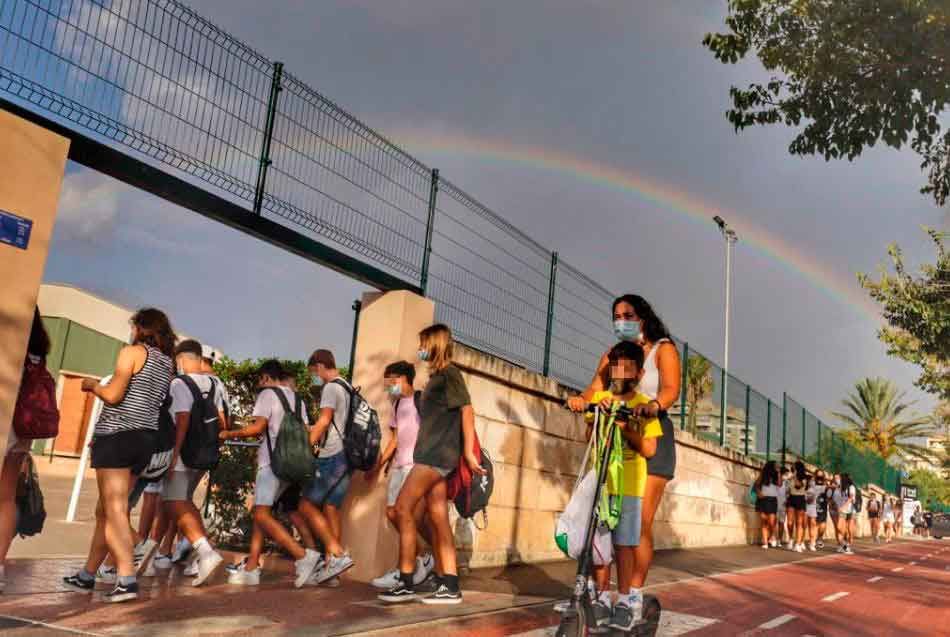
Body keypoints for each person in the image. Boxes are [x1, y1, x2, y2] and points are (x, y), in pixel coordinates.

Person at [566, 295, 680, 593]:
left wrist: (653, 406)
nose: (621, 321)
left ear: (643, 316)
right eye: (616, 316)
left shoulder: (662, 349)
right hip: (613, 435)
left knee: (638, 522)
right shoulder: (614, 354)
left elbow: (670, 390)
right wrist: (580, 401)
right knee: (603, 518)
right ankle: (603, 591)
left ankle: (633, 594)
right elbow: (594, 388)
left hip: (649, 432)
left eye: (628, 315)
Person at [63, 309, 176, 602]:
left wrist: (92, 386)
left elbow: (113, 395)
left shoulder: (132, 353)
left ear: (141, 328)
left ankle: (126, 577)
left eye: (134, 326)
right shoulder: (167, 363)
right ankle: (87, 574)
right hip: (144, 441)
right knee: (107, 511)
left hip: (117, 437)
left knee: (114, 511)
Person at [219, 360, 351, 588]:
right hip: (292, 466)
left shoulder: (267, 395)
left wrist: (229, 432)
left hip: (272, 464)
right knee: (268, 511)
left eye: (261, 380)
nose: (260, 385)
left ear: (267, 378)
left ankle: (303, 557)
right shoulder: (297, 399)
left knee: (261, 514)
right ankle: (252, 567)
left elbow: (257, 428)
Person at [379, 324, 483, 605]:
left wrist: (470, 454)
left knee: (402, 509)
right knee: (437, 517)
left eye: (423, 342)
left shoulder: (450, 374)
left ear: (435, 343)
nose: (420, 348)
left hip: (435, 457)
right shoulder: (438, 376)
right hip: (434, 455)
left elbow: (467, 410)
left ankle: (407, 580)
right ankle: (449, 583)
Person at [583, 341, 662, 631]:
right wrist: (595, 412)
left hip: (629, 486)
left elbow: (650, 449)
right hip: (603, 486)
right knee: (599, 546)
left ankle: (626, 599)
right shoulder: (601, 397)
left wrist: (627, 429)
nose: (621, 372)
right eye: (617, 365)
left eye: (628, 367)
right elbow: (588, 434)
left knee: (625, 545)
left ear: (639, 373)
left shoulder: (643, 405)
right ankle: (602, 596)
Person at [163, 339, 226, 586]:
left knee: (174, 500)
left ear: (182, 359)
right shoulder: (215, 383)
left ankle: (205, 552)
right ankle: (200, 553)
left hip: (183, 452)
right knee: (184, 501)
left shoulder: (179, 383)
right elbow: (221, 420)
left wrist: (174, 454)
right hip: (203, 453)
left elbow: (182, 419)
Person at [368, 361, 436, 590]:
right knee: (392, 513)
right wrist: (379, 465)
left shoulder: (421, 400)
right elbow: (395, 440)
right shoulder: (397, 406)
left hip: (416, 467)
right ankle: (423, 556)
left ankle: (403, 571)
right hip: (398, 466)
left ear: (404, 378)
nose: (388, 386)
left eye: (391, 381)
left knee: (408, 517)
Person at [0, 309, 51, 590]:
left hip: (6, 421)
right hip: (25, 429)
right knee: (6, 499)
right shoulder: (37, 353)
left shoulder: (10, 342)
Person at [303, 350, 355, 575]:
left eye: (314, 371)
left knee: (305, 505)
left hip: (332, 455)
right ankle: (330, 566)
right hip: (348, 456)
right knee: (331, 508)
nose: (316, 375)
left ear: (321, 365)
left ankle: (338, 555)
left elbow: (324, 421)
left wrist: (306, 446)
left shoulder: (331, 387)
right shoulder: (347, 387)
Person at [755, 461, 780, 549]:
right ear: (771, 467)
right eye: (776, 466)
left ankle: (772, 536)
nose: (778, 467)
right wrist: (758, 492)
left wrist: (779, 472)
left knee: (771, 521)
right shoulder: (763, 475)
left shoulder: (777, 475)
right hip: (763, 499)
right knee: (764, 521)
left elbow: (779, 484)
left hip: (772, 500)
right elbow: (756, 485)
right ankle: (765, 542)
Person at [787, 461, 808, 552]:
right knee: (790, 522)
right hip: (791, 498)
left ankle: (798, 543)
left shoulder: (804, 478)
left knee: (799, 523)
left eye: (794, 467)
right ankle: (791, 539)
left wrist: (794, 476)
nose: (792, 468)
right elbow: (789, 489)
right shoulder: (791, 477)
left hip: (800, 499)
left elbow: (798, 486)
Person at [834, 473, 856, 554]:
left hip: (851, 510)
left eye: (839, 478)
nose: (838, 480)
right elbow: (836, 499)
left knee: (850, 530)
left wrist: (843, 507)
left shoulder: (851, 487)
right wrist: (838, 507)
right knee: (839, 527)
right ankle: (843, 545)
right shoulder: (839, 488)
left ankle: (848, 545)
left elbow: (851, 498)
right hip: (842, 510)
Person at [804, 470, 821, 551]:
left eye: (814, 480)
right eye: (811, 480)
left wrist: (812, 497)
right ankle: (801, 542)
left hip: (812, 508)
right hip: (804, 508)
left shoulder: (816, 489)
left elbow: (811, 500)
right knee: (803, 526)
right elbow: (806, 499)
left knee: (812, 526)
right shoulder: (804, 488)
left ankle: (812, 543)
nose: (813, 482)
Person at [812, 470, 829, 550]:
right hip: (813, 506)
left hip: (823, 506)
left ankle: (820, 538)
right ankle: (813, 541)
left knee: (822, 525)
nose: (819, 477)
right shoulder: (812, 483)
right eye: (818, 475)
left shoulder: (826, 484)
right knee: (814, 525)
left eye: (821, 475)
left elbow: (828, 494)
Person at [777, 466, 791, 549]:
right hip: (774, 503)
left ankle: (779, 540)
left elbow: (789, 493)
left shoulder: (787, 483)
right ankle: (772, 538)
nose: (787, 476)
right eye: (785, 474)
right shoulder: (775, 481)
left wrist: (787, 500)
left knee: (781, 522)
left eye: (787, 474)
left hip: (783, 505)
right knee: (772, 521)